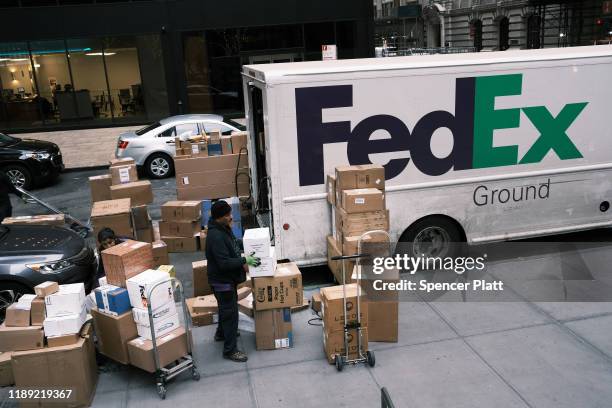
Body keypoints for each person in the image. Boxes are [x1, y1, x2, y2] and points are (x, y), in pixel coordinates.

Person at [206, 200, 260, 363]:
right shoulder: (215, 236)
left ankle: (221, 334)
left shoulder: (222, 229)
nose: (231, 217)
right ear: (219, 217)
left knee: (226, 309)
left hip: (226, 281)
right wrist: (246, 260)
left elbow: (232, 244)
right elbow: (224, 263)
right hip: (222, 282)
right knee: (231, 314)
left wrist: (247, 242)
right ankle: (230, 350)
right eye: (228, 215)